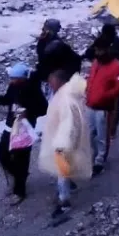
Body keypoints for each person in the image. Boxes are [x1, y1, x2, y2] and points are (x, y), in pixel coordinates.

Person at [39, 70, 93, 218]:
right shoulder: (64, 94)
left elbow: (69, 124)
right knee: (64, 170)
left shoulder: (66, 99)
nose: (50, 84)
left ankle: (65, 202)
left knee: (61, 171)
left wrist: (62, 144)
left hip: (63, 142)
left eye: (52, 81)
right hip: (62, 139)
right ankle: (69, 186)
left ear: (59, 81)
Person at [0, 62, 49, 203]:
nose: (10, 81)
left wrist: (28, 112)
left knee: (21, 160)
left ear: (21, 78)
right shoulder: (13, 86)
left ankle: (20, 191)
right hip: (10, 126)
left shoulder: (34, 89)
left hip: (24, 129)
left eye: (13, 78)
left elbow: (44, 108)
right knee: (2, 155)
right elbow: (8, 99)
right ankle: (20, 176)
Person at [83, 22, 119, 139]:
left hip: (114, 76)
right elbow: (89, 53)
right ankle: (102, 127)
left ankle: (112, 128)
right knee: (101, 100)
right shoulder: (101, 42)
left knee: (115, 103)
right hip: (101, 75)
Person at [86, 44, 119, 176]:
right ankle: (91, 156)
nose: (98, 52)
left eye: (100, 50)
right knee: (90, 133)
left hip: (103, 107)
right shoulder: (96, 63)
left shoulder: (116, 66)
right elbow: (91, 80)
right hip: (91, 104)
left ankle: (99, 160)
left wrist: (105, 96)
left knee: (102, 135)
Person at [33, 19, 82, 90]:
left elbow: (47, 61)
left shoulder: (56, 45)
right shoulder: (45, 40)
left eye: (46, 28)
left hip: (59, 75)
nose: (43, 29)